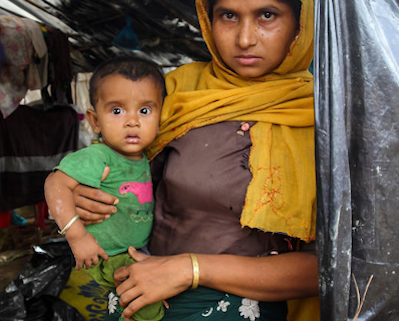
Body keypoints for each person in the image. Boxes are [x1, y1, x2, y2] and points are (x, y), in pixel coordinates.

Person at [65, 0, 319, 320]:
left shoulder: (325, 117)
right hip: (147, 292)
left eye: (267, 15)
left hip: (249, 306)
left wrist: (191, 269)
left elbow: (332, 268)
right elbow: (126, 174)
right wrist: (87, 194)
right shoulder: (176, 93)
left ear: (300, 23)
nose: (245, 39)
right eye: (228, 16)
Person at [44, 57, 166, 321]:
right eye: (117, 111)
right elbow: (55, 184)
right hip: (107, 256)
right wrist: (77, 236)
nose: (132, 121)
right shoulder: (99, 156)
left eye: (144, 111)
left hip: (134, 251)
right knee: (149, 309)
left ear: (160, 117)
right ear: (95, 121)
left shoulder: (143, 156)